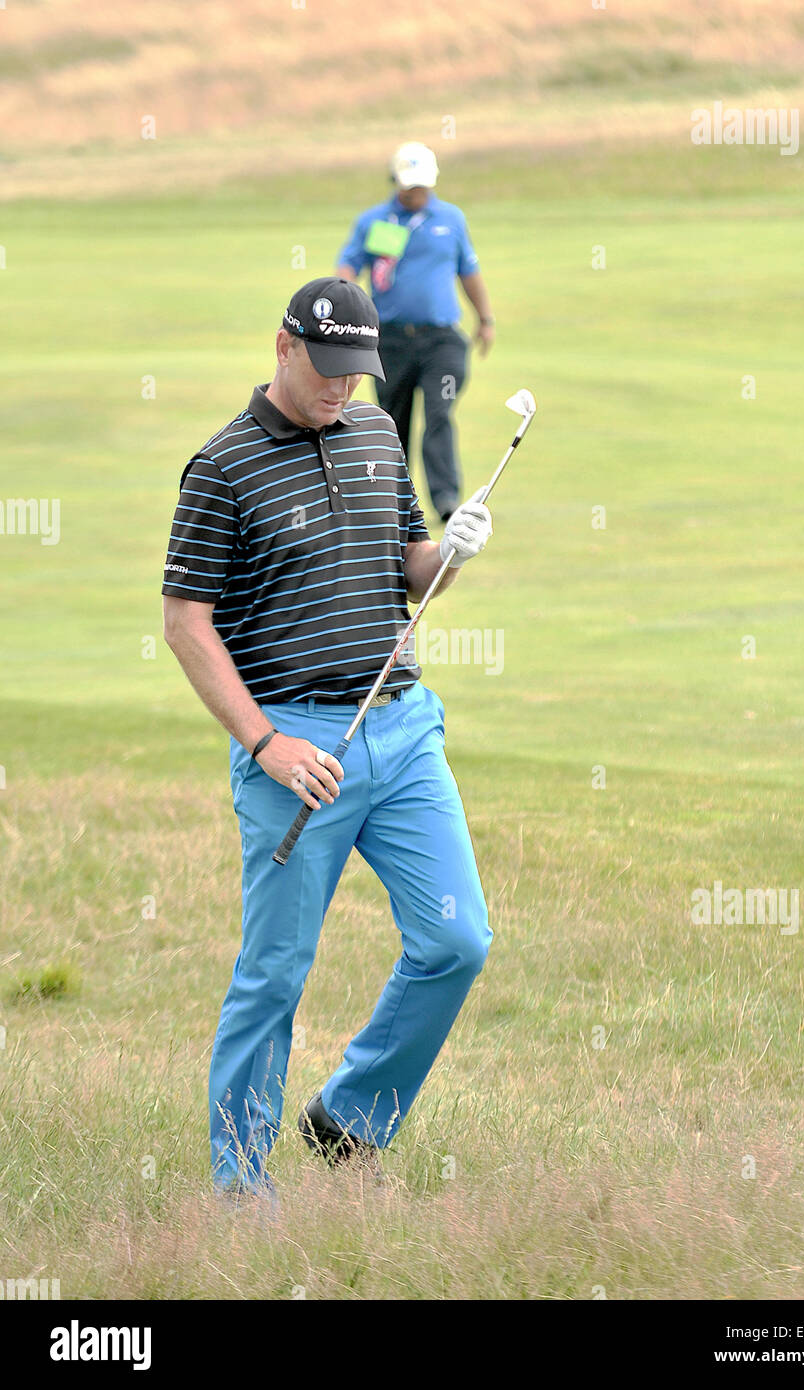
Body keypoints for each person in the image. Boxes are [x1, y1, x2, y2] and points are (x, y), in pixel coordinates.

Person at [161, 276, 495, 1200]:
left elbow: (409, 571)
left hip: (402, 728)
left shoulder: (378, 434)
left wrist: (452, 554)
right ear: (282, 345)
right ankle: (239, 1187)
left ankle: (348, 1117)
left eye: (356, 374)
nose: (341, 390)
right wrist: (265, 744)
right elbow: (186, 622)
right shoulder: (222, 466)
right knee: (274, 976)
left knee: (456, 941)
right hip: (293, 746)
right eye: (327, 370)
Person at [336, 141, 495, 523]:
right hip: (389, 340)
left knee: (440, 412)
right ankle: (394, 500)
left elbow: (468, 270)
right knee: (392, 420)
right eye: (410, 186)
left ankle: (445, 499)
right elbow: (347, 266)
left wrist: (485, 318)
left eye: (422, 185)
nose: (416, 192)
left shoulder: (451, 219)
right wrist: (345, 308)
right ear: (396, 182)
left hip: (442, 340)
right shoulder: (376, 221)